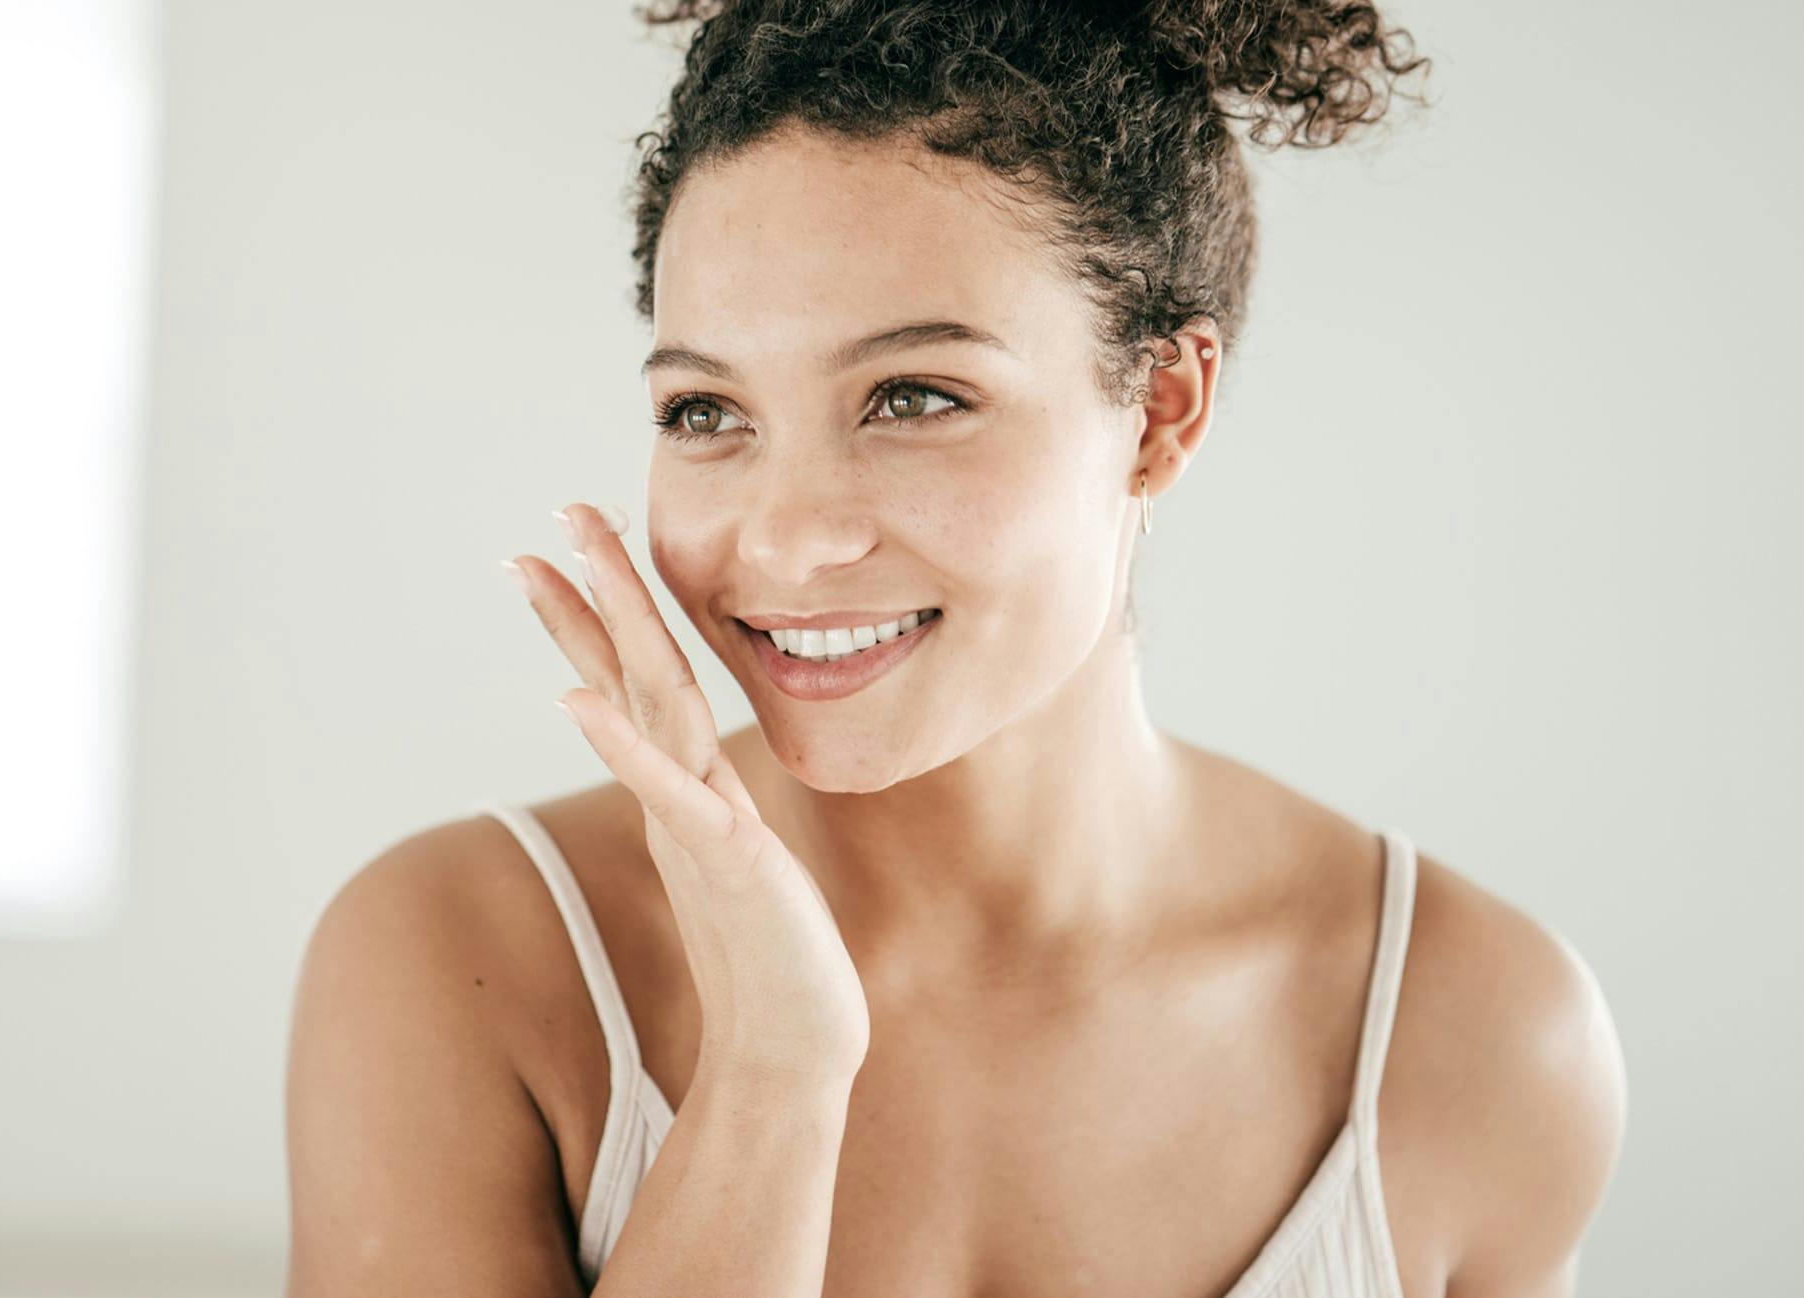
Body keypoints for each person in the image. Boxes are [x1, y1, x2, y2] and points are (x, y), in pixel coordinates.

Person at [284, 2, 1627, 1295]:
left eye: (913, 396)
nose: (789, 537)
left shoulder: (1477, 1032)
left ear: (1160, 409)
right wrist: (770, 1075)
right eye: (704, 411)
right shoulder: (464, 959)